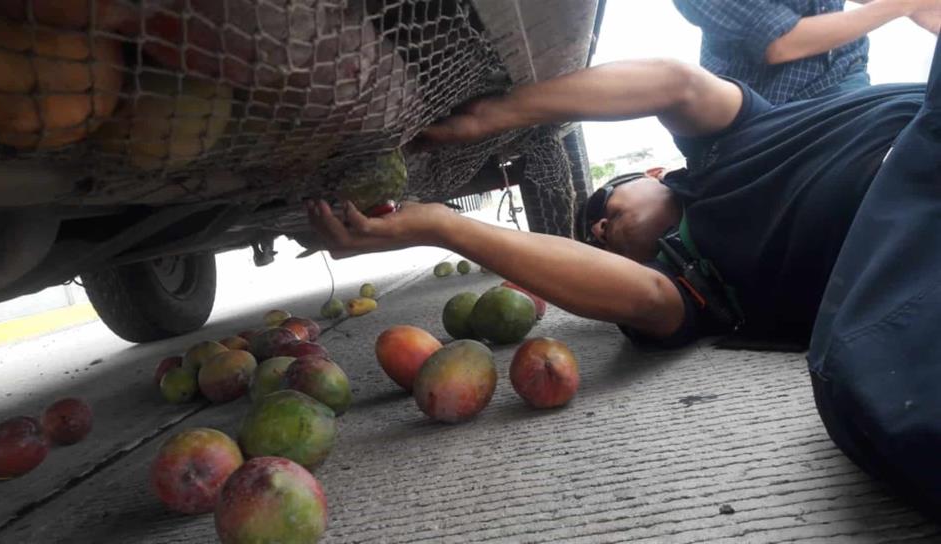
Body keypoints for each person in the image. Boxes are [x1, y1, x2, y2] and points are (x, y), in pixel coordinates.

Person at [306, 36, 941, 517]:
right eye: (595, 237)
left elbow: (674, 83)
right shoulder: (698, 286)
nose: (600, 227)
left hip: (925, 130)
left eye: (603, 205)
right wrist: (444, 226)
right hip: (920, 251)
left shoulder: (733, 140)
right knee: (884, 418)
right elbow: (639, 296)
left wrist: (490, 117)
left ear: (656, 174)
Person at [673, 0, 941, 103]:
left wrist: (920, 8)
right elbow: (782, 42)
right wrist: (903, 5)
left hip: (847, 73)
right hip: (774, 109)